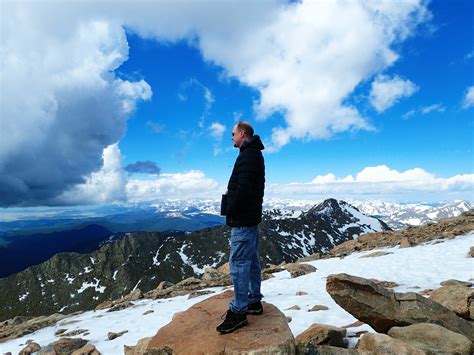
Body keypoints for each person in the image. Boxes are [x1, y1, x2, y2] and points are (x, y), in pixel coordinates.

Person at [216, 121, 265, 334]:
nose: (231, 138)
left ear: (242, 133)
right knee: (252, 260)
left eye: (233, 134)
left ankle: (238, 312)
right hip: (250, 218)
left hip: (243, 220)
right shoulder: (252, 154)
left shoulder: (248, 155)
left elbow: (243, 190)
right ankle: (253, 301)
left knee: (239, 263)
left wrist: (230, 211)